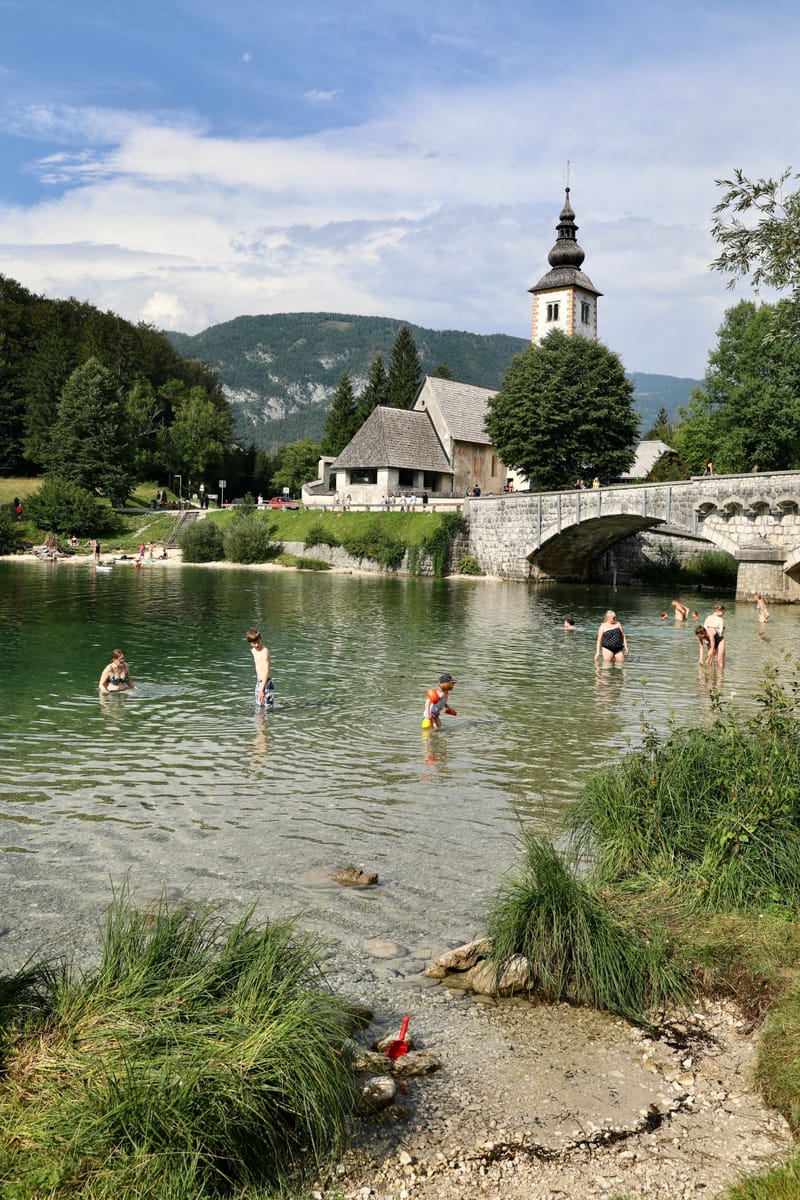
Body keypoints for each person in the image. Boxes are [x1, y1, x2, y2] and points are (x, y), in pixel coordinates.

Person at [246, 628, 274, 710]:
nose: (257, 645)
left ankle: (264, 723)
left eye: (258, 642)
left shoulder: (265, 651)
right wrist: (260, 687)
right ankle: (260, 723)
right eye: (254, 643)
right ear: (250, 643)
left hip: (267, 683)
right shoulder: (253, 651)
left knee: (267, 709)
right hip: (259, 682)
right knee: (259, 708)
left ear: (260, 639)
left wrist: (262, 689)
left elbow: (266, 671)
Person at [704, 603, 726, 668]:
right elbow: (721, 632)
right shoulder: (720, 619)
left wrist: (706, 640)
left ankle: (709, 675)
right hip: (719, 638)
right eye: (723, 612)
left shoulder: (708, 617)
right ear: (720, 611)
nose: (723, 614)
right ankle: (720, 677)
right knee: (720, 661)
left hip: (709, 638)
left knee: (710, 659)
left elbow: (704, 629)